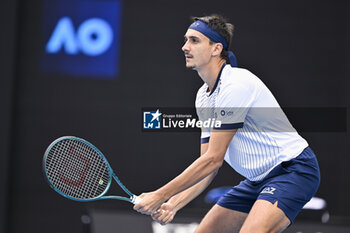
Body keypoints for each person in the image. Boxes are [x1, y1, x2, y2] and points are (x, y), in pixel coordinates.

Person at [134, 14, 320, 233]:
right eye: (185, 40)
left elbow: (214, 160)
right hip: (256, 180)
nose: (185, 47)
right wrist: (173, 204)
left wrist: (159, 194)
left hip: (293, 171)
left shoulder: (236, 85)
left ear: (216, 48)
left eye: (195, 40)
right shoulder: (203, 96)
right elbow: (206, 164)